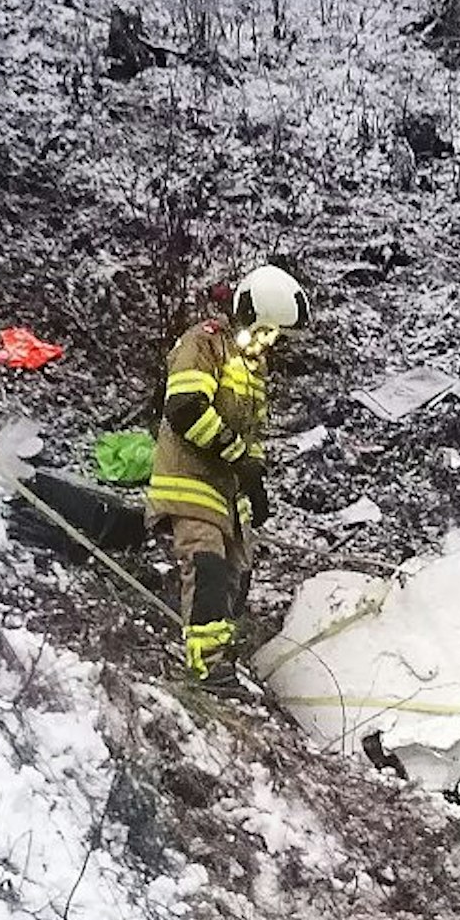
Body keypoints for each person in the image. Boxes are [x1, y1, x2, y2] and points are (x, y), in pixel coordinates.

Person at [149, 264, 310, 685]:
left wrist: (253, 481)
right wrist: (237, 456)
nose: (268, 342)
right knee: (207, 568)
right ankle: (207, 668)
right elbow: (185, 408)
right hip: (189, 481)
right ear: (248, 315)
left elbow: (251, 434)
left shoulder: (254, 369)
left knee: (238, 576)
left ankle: (224, 653)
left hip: (225, 493)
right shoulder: (204, 344)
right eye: (266, 331)